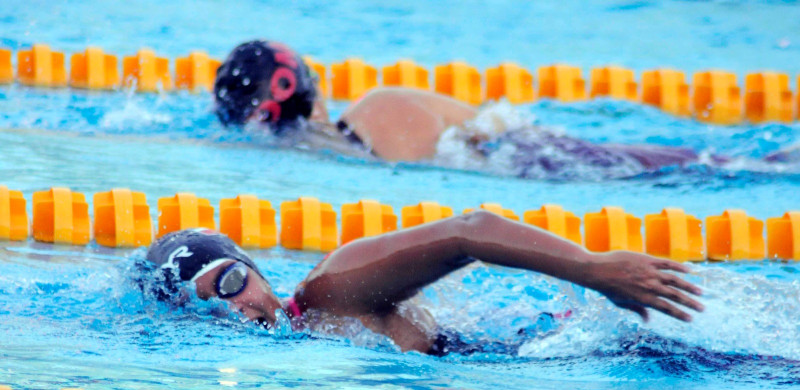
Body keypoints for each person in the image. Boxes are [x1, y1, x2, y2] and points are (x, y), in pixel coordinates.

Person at [143, 211, 703, 356]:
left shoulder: (331, 291)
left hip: (564, 349)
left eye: (234, 280)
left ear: (259, 269)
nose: (237, 306)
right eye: (211, 304)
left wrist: (592, 269)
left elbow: (469, 232)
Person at [212, 39, 726, 174]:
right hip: (545, 155)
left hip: (527, 163)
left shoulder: (306, 160)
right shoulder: (384, 106)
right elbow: (498, 127)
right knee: (715, 164)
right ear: (307, 83)